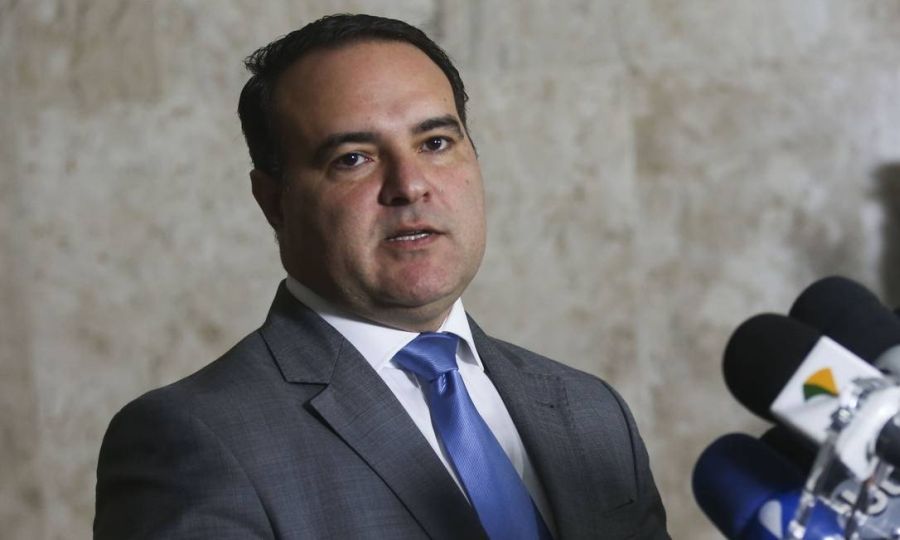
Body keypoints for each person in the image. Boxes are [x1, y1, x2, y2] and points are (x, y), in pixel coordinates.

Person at [94, 13, 668, 540]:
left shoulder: (590, 411)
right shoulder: (191, 438)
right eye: (353, 158)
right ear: (273, 202)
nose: (409, 185)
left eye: (435, 143)